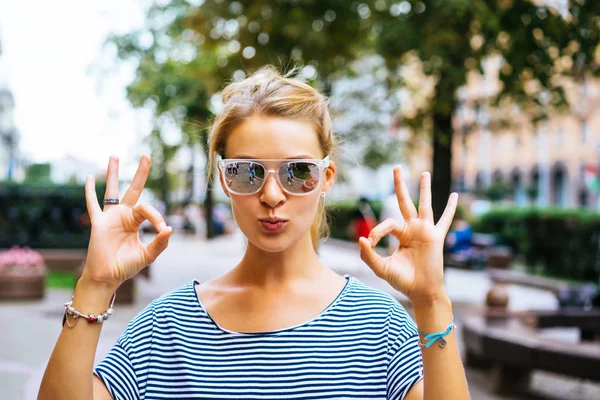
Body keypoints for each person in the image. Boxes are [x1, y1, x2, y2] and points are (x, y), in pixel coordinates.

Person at [38, 67, 470, 400]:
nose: (271, 195)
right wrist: (94, 285)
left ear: (326, 178)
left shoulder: (381, 327)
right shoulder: (165, 329)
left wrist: (432, 301)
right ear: (223, 180)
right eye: (246, 171)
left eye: (298, 171)